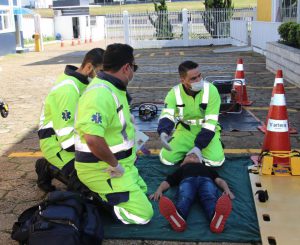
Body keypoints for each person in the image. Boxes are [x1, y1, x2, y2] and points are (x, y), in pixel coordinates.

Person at [74, 43, 153, 225]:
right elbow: (92, 139)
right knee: (143, 214)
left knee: (144, 189)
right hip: (102, 168)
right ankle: (95, 200)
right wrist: (115, 165)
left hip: (120, 164)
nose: (134, 72)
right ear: (126, 68)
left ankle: (109, 193)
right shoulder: (100, 94)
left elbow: (117, 127)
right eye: (134, 67)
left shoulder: (113, 87)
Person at [36, 48, 104, 192]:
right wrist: (96, 150)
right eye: (101, 71)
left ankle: (52, 167)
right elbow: (66, 141)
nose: (103, 76)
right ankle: (47, 167)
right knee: (87, 186)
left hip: (75, 137)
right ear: (89, 67)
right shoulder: (68, 90)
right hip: (55, 143)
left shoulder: (84, 83)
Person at [157, 60, 225, 167]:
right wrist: (163, 132)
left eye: (199, 76)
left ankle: (212, 144)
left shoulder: (212, 90)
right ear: (183, 80)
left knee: (216, 161)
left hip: (207, 131)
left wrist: (198, 146)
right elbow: (167, 115)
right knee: (167, 159)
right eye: (193, 78)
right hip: (185, 131)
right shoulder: (173, 93)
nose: (199, 80)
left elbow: (211, 122)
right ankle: (190, 150)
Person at [150, 153, 234, 233]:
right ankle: (178, 218)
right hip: (187, 181)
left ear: (201, 161)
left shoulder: (207, 168)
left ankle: (215, 218)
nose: (193, 155)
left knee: (209, 197)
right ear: (182, 163)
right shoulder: (181, 169)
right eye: (189, 155)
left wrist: (227, 189)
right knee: (185, 197)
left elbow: (219, 180)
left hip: (206, 181)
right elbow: (168, 181)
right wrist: (159, 190)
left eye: (196, 156)